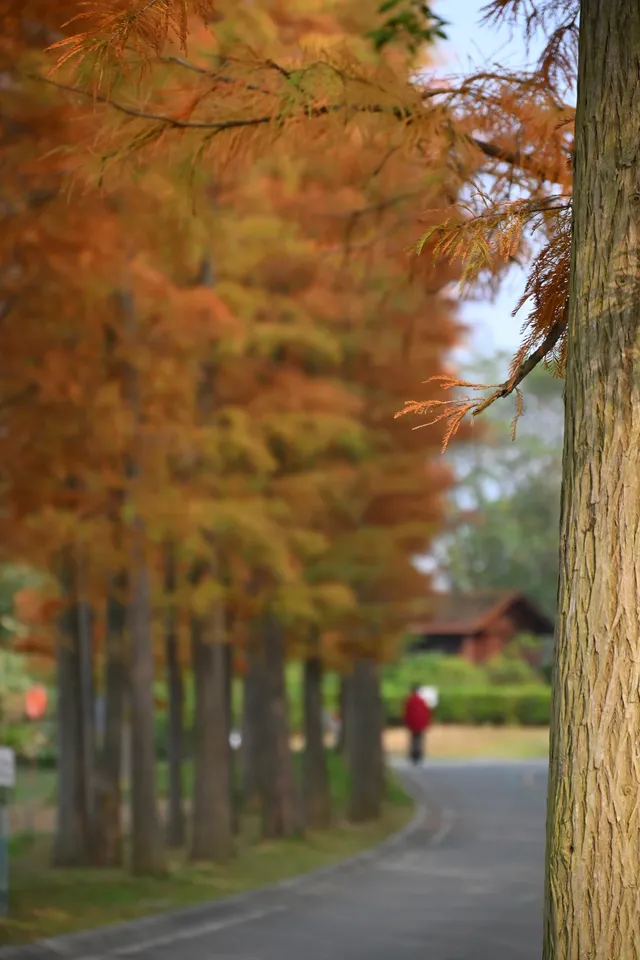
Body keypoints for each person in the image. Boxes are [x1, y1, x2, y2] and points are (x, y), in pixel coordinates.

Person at [403, 684, 432, 765]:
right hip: (421, 723)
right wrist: (427, 723)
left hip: (412, 723)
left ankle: (413, 753)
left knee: (413, 738)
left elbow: (406, 713)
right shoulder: (422, 701)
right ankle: (419, 753)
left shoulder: (409, 701)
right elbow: (426, 712)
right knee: (419, 739)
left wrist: (406, 722)